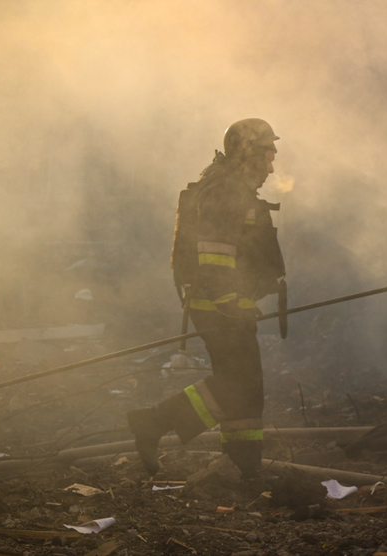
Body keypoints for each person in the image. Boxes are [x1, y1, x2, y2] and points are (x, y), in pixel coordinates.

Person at [127, 118, 285, 485]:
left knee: (244, 385)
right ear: (248, 153)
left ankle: (244, 466)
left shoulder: (231, 186)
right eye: (267, 157)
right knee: (239, 384)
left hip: (226, 302)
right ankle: (153, 422)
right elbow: (213, 251)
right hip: (218, 305)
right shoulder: (226, 189)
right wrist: (228, 298)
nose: (271, 168)